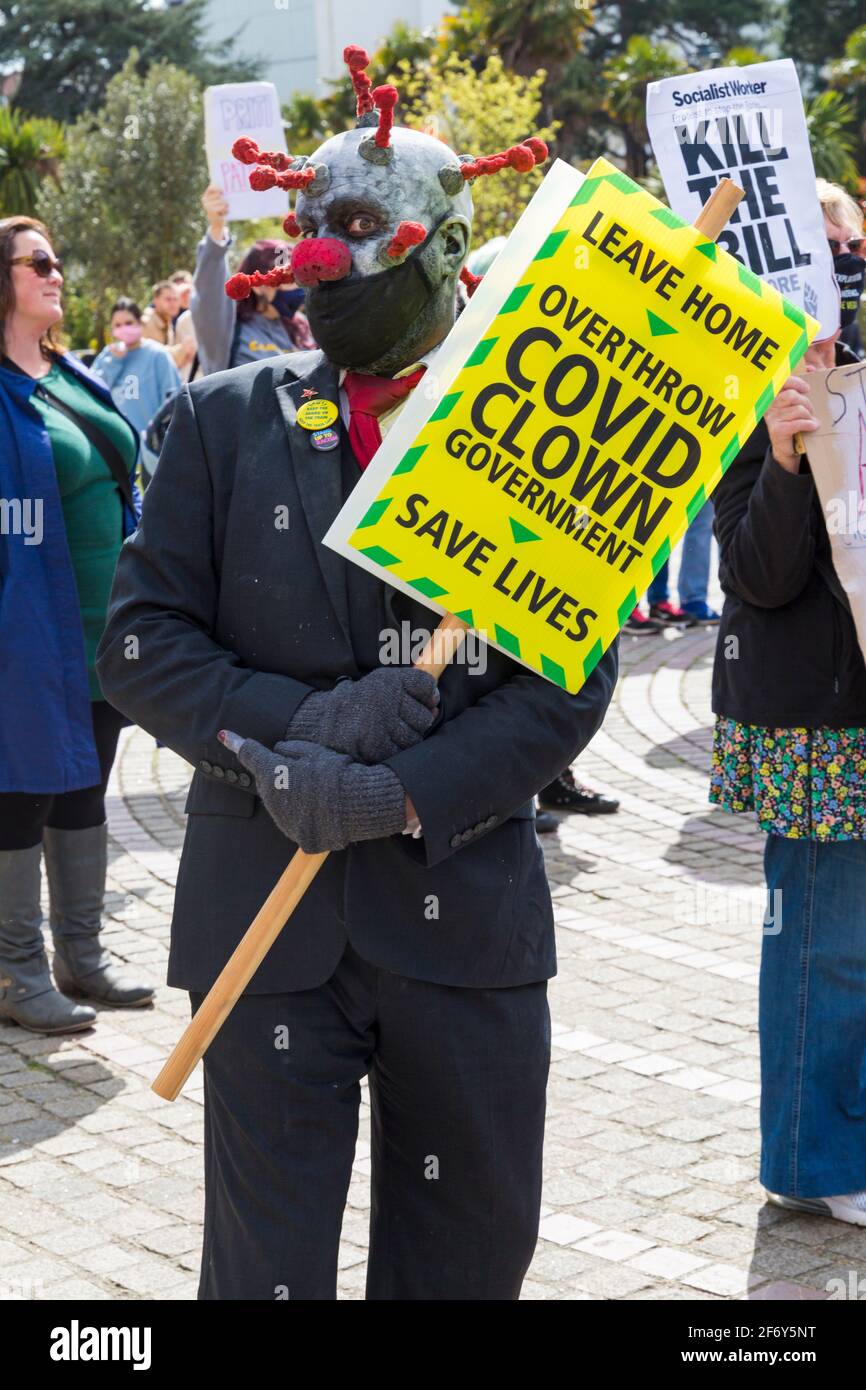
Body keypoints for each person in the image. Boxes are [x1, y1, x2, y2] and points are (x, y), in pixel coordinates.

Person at [97, 45, 617, 1300]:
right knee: (262, 1275)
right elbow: (137, 642)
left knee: (460, 1264)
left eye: (360, 231)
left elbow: (566, 688)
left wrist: (396, 794)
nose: (326, 258)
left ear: (445, 245)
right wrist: (299, 727)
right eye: (311, 228)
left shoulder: (532, 431)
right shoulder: (224, 418)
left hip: (462, 924)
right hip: (263, 922)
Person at [710, 321, 866, 1226]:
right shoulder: (746, 413)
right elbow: (757, 576)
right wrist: (785, 457)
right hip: (816, 728)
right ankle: (814, 1160)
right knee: (823, 942)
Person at [0, 216, 154, 1035]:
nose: (57, 273)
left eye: (57, 260)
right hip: (26, 629)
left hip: (99, 628)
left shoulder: (66, 371)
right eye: (39, 263)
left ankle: (80, 957)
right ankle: (16, 974)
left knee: (83, 784)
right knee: (21, 791)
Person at [191, 184, 314, 375]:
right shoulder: (226, 329)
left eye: (299, 277)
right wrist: (217, 226)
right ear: (258, 285)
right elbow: (209, 289)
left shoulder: (304, 326)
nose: (297, 287)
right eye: (285, 278)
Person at [91, 297, 182, 484]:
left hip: (151, 455)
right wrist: (114, 363)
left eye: (129, 323)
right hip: (116, 453)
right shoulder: (107, 356)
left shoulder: (158, 356)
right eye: (118, 324)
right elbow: (91, 393)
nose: (124, 328)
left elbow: (174, 400)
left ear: (139, 322)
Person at [817, 178, 864, 359]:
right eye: (830, 245)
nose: (847, 256)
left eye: (854, 245)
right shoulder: (770, 378)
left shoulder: (850, 357)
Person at [141, 279, 194, 374]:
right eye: (168, 299)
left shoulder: (166, 321)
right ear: (155, 300)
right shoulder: (145, 323)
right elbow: (152, 360)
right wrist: (183, 348)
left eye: (176, 299)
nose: (173, 304)